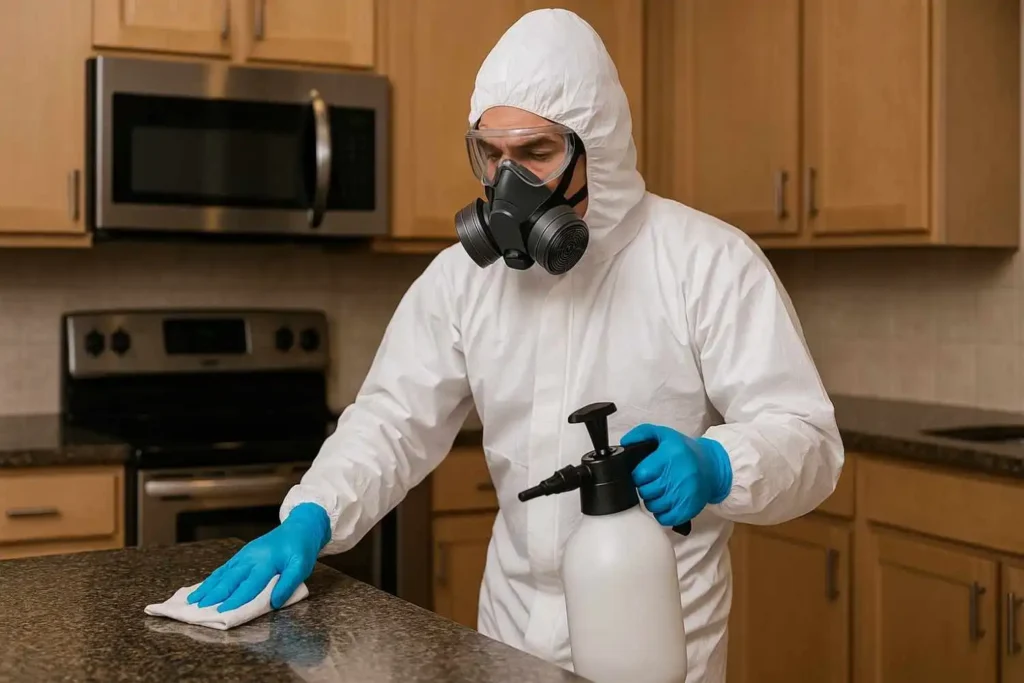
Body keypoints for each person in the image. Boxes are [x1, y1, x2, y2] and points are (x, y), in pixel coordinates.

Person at [186, 8, 844, 682]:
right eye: (492, 156)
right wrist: (311, 515)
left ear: (600, 150)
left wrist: (720, 463)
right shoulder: (464, 280)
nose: (509, 187)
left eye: (535, 154)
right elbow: (390, 422)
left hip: (657, 641)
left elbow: (809, 441)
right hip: (507, 642)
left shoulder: (706, 263)